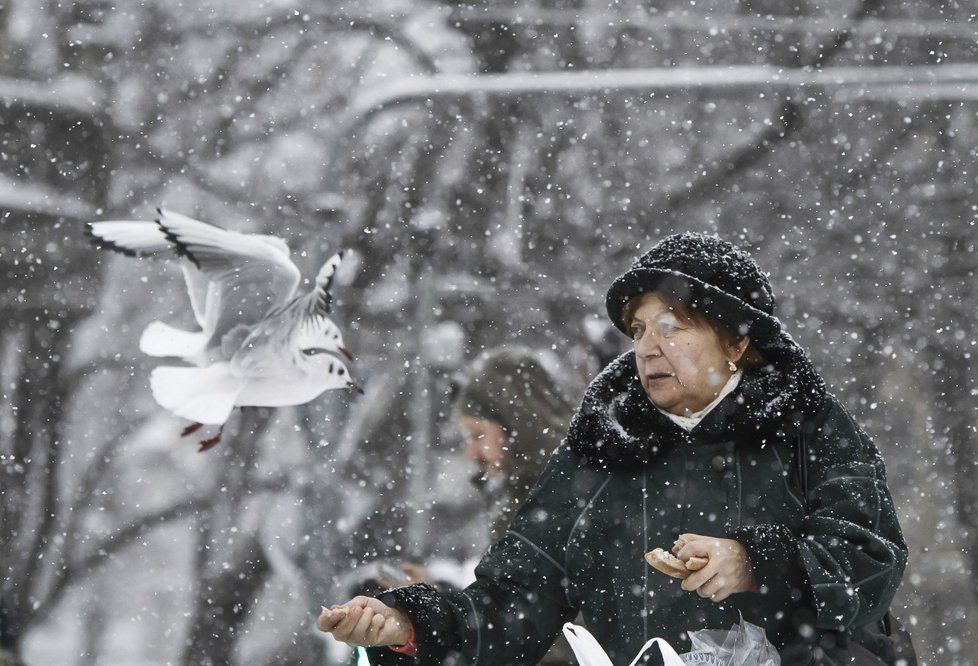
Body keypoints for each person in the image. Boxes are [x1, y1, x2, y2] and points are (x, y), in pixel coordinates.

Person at [317, 232, 909, 665]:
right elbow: (513, 602)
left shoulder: (811, 429)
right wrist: (409, 625)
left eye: (672, 325)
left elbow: (870, 558)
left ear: (735, 337)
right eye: (639, 330)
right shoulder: (600, 450)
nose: (648, 347)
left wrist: (755, 563)